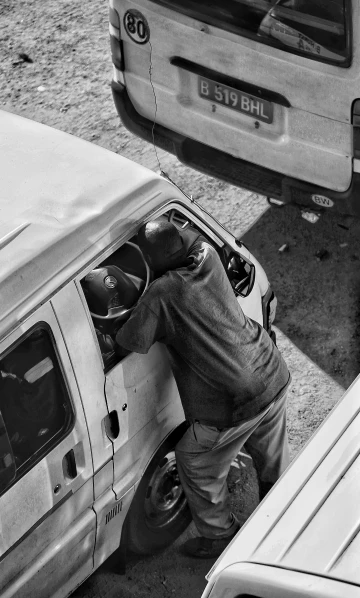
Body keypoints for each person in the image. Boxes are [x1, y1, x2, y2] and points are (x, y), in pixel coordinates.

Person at [115, 220, 292, 558]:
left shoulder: (161, 295)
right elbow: (189, 240)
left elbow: (127, 343)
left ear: (153, 264)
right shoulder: (208, 256)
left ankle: (219, 534)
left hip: (232, 402)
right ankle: (284, 516)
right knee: (272, 459)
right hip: (270, 372)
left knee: (194, 459)